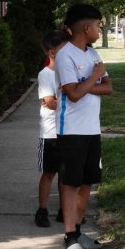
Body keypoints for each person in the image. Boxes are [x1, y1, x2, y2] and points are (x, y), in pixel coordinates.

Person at [54, 4, 113, 249]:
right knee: (71, 184)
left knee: (87, 182)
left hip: (92, 130)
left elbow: (108, 88)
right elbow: (73, 95)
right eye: (98, 26)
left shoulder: (92, 53)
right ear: (86, 28)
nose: (100, 30)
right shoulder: (65, 55)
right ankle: (69, 239)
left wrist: (88, 83)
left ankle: (78, 231)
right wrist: (95, 77)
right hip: (71, 131)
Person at [34, 30, 69, 228]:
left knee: (65, 174)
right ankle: (42, 210)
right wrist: (72, 96)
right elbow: (50, 102)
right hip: (50, 132)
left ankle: (64, 210)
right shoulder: (45, 75)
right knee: (49, 173)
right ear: (52, 53)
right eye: (63, 49)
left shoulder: (68, 72)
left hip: (67, 130)